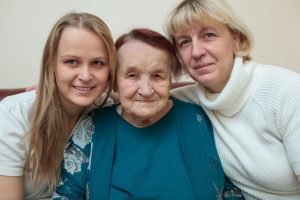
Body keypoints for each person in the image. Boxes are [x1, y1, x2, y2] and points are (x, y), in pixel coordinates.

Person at [52, 28, 244, 199]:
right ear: (114, 80)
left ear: (171, 79)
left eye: (157, 76)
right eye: (132, 75)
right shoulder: (92, 128)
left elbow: (231, 190)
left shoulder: (200, 119)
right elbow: (66, 195)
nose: (145, 90)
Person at [164, 0, 300, 199]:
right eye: (184, 42)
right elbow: (130, 99)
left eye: (208, 35)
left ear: (236, 39)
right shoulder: (187, 100)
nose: (196, 52)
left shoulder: (286, 89)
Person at [0, 12, 116, 199]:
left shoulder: (107, 110)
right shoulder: (13, 116)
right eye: (71, 62)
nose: (86, 76)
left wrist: (109, 89)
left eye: (97, 63)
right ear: (51, 64)